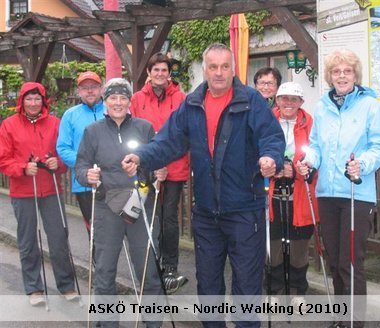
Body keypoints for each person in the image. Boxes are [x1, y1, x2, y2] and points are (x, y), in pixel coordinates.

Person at [122, 43, 285, 328]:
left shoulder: (251, 100)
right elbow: (169, 140)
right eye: (213, 67)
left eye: (225, 66)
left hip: (245, 210)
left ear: (233, 69)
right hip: (207, 213)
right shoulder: (193, 103)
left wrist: (271, 157)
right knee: (208, 286)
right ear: (204, 70)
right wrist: (142, 156)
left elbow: (271, 136)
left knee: (247, 286)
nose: (219, 73)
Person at [296, 49, 380, 328]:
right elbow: (315, 146)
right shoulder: (322, 107)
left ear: (355, 75)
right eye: (336, 71)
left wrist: (362, 163)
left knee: (351, 261)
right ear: (330, 76)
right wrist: (308, 161)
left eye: (347, 71)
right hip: (327, 192)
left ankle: (354, 321)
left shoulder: (370, 105)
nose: (341, 76)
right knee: (335, 261)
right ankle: (341, 317)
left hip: (356, 193)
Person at [75, 78, 166, 328]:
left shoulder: (145, 127)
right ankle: (108, 322)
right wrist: (87, 175)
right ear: (105, 102)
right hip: (106, 206)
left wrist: (159, 171)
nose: (117, 102)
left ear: (129, 101)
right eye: (112, 98)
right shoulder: (92, 131)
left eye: (122, 98)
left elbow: (157, 158)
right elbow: (81, 165)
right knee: (104, 271)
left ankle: (153, 323)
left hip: (141, 204)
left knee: (147, 270)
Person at [0, 82, 78, 306]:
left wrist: (59, 163)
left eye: (37, 99)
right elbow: (3, 159)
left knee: (58, 239)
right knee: (28, 242)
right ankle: (34, 288)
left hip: (51, 189)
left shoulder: (55, 123)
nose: (33, 103)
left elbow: (65, 150)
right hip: (23, 191)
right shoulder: (9, 125)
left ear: (44, 101)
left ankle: (67, 285)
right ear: (22, 101)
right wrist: (22, 168)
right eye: (29, 99)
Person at [130, 52, 189, 293]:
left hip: (174, 167)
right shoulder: (137, 99)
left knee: (169, 219)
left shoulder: (181, 97)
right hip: (147, 167)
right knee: (147, 217)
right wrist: (152, 163)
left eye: (164, 70)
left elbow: (184, 133)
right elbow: (134, 133)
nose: (160, 74)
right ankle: (150, 265)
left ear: (169, 73)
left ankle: (171, 267)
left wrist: (166, 160)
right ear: (149, 73)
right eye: (156, 70)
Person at [265, 82, 318, 309]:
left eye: (293, 99)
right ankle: (274, 290)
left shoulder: (310, 124)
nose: (288, 103)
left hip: (300, 193)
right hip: (272, 191)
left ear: (301, 103)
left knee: (298, 245)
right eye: (283, 98)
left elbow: (316, 154)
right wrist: (274, 167)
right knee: (274, 244)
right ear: (276, 100)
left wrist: (301, 168)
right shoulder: (266, 121)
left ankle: (297, 290)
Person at [57, 71, 105, 238]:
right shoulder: (70, 115)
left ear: (101, 88)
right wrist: (85, 166)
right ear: (79, 91)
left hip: (114, 180)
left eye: (93, 87)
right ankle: (99, 264)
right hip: (84, 183)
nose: (90, 91)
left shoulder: (112, 110)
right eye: (85, 88)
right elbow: (63, 148)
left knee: (118, 228)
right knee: (94, 230)